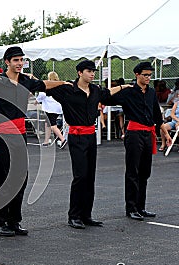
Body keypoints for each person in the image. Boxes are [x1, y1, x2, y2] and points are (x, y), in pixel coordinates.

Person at [0, 46, 67, 237]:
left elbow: (45, 84)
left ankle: (14, 221)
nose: (20, 63)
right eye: (16, 60)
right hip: (2, 135)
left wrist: (66, 83)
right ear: (7, 62)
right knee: (4, 177)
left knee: (21, 177)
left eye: (22, 60)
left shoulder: (26, 81)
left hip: (19, 134)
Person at [46, 60, 129, 229]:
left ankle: (86, 215)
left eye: (93, 71)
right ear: (79, 73)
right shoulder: (67, 90)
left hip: (90, 136)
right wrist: (61, 82)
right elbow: (44, 86)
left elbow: (108, 93)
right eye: (89, 71)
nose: (92, 74)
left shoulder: (96, 90)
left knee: (90, 176)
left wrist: (123, 87)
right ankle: (74, 215)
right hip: (76, 137)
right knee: (80, 176)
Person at [109, 62, 172, 220]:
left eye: (150, 75)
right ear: (137, 74)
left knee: (145, 172)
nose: (148, 78)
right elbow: (107, 96)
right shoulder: (128, 92)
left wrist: (166, 134)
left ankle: (141, 207)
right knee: (133, 171)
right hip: (134, 134)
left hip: (148, 134)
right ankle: (131, 208)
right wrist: (122, 87)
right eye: (145, 75)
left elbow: (157, 116)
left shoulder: (151, 92)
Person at [35, 71, 66, 148]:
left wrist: (36, 101)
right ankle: (46, 141)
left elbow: (42, 95)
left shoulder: (48, 85)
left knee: (52, 125)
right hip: (58, 108)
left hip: (50, 108)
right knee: (47, 124)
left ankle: (62, 139)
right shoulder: (59, 85)